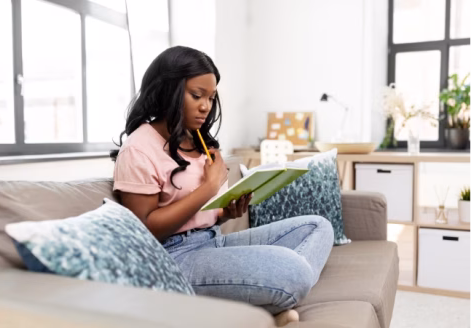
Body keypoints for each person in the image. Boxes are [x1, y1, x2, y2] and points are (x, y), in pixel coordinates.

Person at [111, 46, 334, 327]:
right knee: (296, 272)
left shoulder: (198, 140)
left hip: (213, 240)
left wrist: (227, 211)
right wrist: (208, 186)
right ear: (168, 90)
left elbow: (206, 213)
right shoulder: (138, 148)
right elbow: (145, 228)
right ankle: (262, 303)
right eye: (196, 95)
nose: (205, 106)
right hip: (173, 259)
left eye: (211, 97)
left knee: (318, 227)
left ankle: (256, 302)